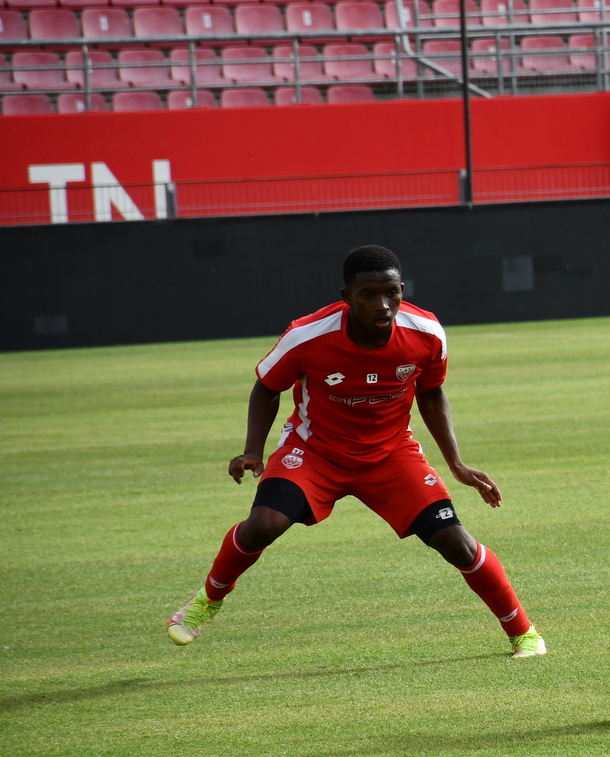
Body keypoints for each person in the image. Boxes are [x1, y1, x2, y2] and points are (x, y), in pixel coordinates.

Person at [165, 245, 544, 659]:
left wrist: (456, 463)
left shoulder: (427, 333)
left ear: (402, 290)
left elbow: (432, 393)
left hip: (390, 454)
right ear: (347, 296)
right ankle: (208, 600)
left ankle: (523, 633)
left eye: (391, 293)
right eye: (368, 295)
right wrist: (252, 450)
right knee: (263, 525)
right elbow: (267, 388)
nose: (382, 305)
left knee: (456, 543)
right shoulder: (307, 336)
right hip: (315, 452)